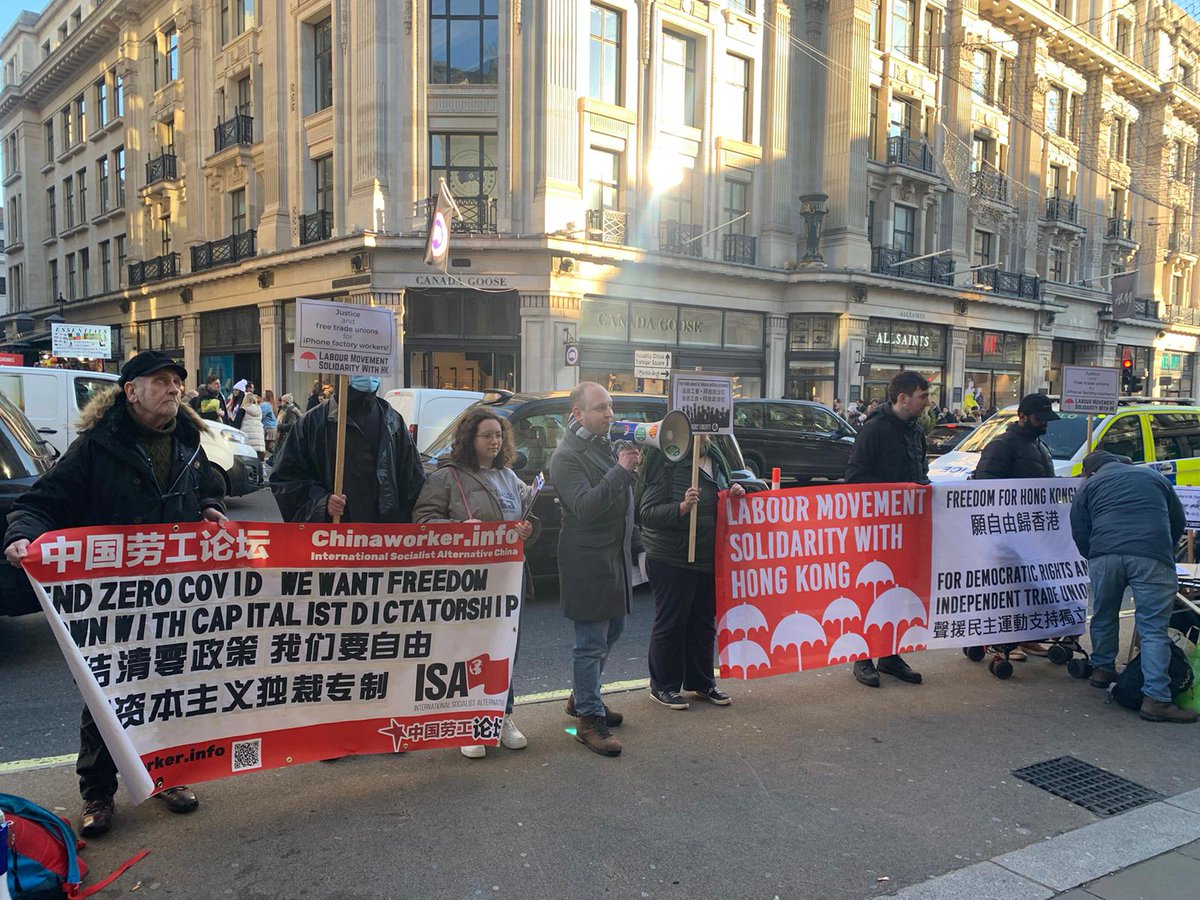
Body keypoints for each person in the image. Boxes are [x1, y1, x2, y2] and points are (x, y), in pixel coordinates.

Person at [3, 350, 228, 837]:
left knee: (168, 686)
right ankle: (98, 793)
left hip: (174, 592)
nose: (173, 389)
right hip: (113, 598)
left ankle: (165, 773)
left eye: (177, 382)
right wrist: (22, 535)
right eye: (161, 381)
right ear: (131, 391)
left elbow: (204, 487)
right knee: (107, 693)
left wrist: (209, 506)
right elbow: (40, 503)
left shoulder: (188, 440)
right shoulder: (96, 446)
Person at [413, 408, 535, 758]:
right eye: (487, 435)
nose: (494, 442)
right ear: (470, 438)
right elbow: (422, 521)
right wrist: (457, 530)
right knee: (468, 649)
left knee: (504, 649)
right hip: (467, 580)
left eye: (499, 435)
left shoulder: (510, 476)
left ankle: (502, 716)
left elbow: (528, 519)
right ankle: (468, 723)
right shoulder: (447, 478)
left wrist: (528, 529)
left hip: (507, 578)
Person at [1069, 450, 1196, 723]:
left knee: (1104, 613)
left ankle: (1102, 670)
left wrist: (1095, 555)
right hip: (1151, 554)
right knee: (1152, 627)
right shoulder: (1153, 477)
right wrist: (1164, 548)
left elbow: (1079, 528)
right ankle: (1156, 699)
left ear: (1091, 471)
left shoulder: (1089, 485)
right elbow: (1178, 520)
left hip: (1105, 555)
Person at [549, 382, 637, 757]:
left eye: (610, 406)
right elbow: (585, 506)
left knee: (614, 628)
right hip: (587, 560)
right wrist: (621, 471)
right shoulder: (566, 456)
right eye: (600, 407)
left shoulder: (602, 444)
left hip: (613, 555)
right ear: (578, 413)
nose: (609, 414)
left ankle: (584, 696)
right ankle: (587, 720)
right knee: (590, 641)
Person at [638, 436, 745, 711]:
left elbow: (718, 496)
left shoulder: (716, 456)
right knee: (672, 622)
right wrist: (682, 508)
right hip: (672, 556)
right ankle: (663, 686)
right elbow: (647, 512)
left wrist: (732, 492)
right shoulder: (665, 460)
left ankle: (702, 681)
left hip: (707, 553)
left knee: (703, 622)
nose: (706, 435)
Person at [845, 370, 931, 689]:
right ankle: (863, 657)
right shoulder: (874, 429)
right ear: (903, 398)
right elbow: (854, 478)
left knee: (899, 592)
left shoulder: (916, 431)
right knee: (871, 591)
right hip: (876, 529)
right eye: (923, 396)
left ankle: (891, 655)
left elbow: (920, 471)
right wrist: (896, 491)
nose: (927, 402)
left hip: (907, 528)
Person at [971, 393, 1059, 659]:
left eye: (1046, 418)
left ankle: (1027, 636)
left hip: (1034, 531)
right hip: (1007, 532)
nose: (1044, 423)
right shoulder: (1001, 445)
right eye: (1038, 418)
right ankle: (1001, 641)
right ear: (1022, 416)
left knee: (1030, 587)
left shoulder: (1039, 446)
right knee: (1006, 589)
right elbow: (986, 487)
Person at [270, 374, 425, 523]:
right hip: (335, 535)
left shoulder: (393, 421)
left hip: (382, 535)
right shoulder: (313, 423)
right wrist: (322, 504)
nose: (367, 372)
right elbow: (286, 479)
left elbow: (413, 482)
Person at [241, 392, 267, 460]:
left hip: (247, 435)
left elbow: (237, 423)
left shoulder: (244, 409)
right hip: (259, 436)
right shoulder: (259, 409)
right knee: (258, 459)